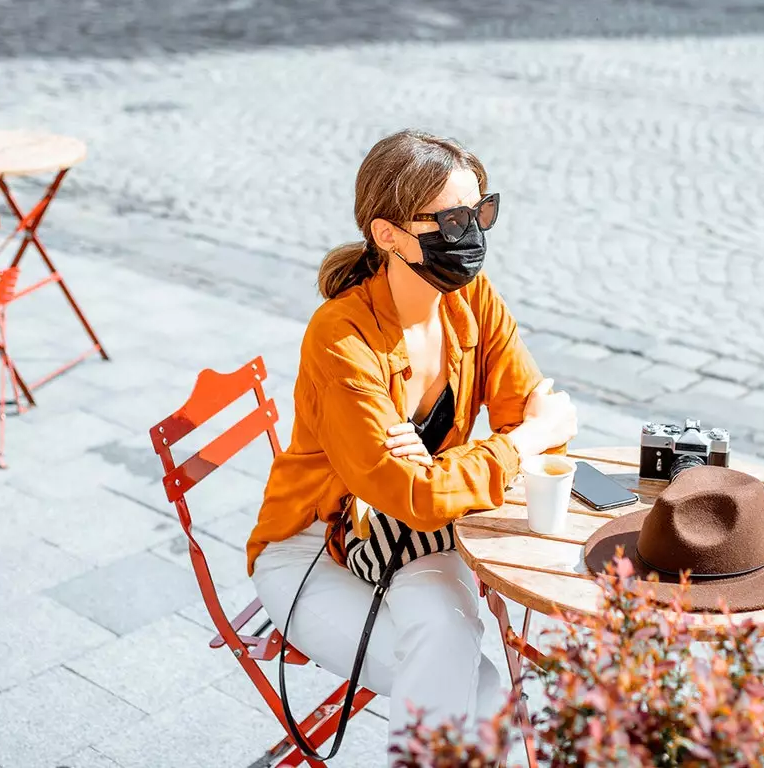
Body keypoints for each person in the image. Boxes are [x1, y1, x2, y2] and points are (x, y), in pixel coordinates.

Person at [247, 129, 578, 762]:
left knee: (455, 653)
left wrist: (440, 469)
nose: (473, 236)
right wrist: (520, 444)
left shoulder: (470, 299)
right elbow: (510, 443)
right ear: (388, 234)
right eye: (453, 220)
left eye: (482, 213)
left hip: (412, 540)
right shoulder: (340, 337)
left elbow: (527, 407)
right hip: (313, 548)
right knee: (477, 690)